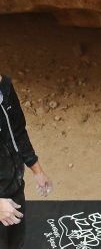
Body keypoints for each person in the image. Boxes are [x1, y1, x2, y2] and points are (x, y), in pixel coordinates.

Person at [0, 75, 54, 249]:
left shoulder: (4, 88)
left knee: (15, 243)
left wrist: (37, 169)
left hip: (13, 187)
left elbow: (18, 132)